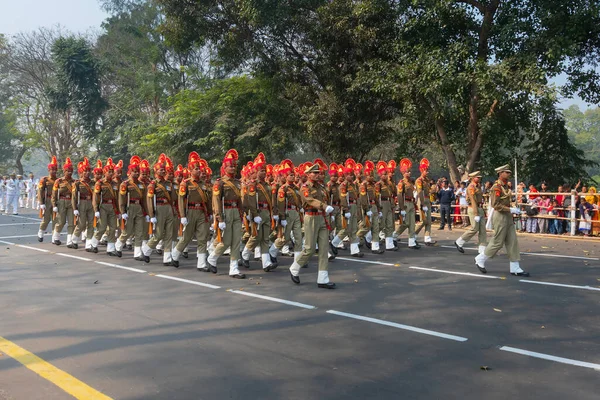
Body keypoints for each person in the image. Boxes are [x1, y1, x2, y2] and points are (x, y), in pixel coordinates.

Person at [475, 164, 529, 277]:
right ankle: (481, 258)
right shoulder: (496, 187)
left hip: (507, 216)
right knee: (498, 242)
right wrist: (510, 209)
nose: (508, 174)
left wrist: (513, 208)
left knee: (512, 241)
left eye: (509, 172)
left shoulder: (506, 187)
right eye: (506, 172)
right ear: (500, 173)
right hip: (500, 216)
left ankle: (515, 267)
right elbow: (495, 205)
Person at [289, 162, 336, 288]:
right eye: (314, 173)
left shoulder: (320, 187)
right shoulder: (305, 187)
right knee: (309, 248)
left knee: (324, 248)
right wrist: (324, 206)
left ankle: (323, 278)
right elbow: (309, 200)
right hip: (311, 217)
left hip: (322, 217)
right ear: (308, 174)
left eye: (317, 173)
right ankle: (294, 267)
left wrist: (326, 211)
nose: (317, 174)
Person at [207, 149, 246, 279]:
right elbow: (216, 201)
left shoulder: (238, 182)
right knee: (227, 240)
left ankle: (234, 268)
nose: (233, 168)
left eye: (234, 166)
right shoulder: (220, 183)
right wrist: (219, 218)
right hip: (226, 212)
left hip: (236, 212)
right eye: (230, 166)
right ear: (224, 167)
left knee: (236, 240)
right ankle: (212, 258)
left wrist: (243, 214)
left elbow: (240, 200)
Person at [172, 152, 212, 270]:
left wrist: (209, 213)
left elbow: (208, 200)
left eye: (199, 169)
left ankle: (201, 263)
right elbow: (180, 199)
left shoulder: (203, 184)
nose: (199, 171)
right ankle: (175, 255)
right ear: (190, 170)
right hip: (190, 211)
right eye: (196, 169)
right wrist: (183, 215)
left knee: (202, 237)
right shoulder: (186, 183)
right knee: (187, 237)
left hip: (202, 212)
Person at [142, 154, 176, 265]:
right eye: (161, 170)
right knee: (159, 234)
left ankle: (167, 258)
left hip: (168, 208)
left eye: (164, 170)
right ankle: (146, 250)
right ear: (156, 171)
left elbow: (174, 198)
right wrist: (152, 215)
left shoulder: (169, 184)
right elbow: (149, 200)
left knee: (169, 233)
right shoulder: (153, 185)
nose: (163, 171)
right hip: (160, 208)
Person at [115, 156, 148, 260]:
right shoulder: (125, 184)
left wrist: (146, 213)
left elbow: (144, 200)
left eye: (137, 172)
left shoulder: (142, 185)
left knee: (139, 231)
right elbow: (121, 199)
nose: (136, 173)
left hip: (139, 208)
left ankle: (137, 253)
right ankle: (118, 246)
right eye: (134, 172)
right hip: (129, 207)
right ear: (129, 172)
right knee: (127, 231)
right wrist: (123, 211)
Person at [91, 158, 120, 256]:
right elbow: (96, 197)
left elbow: (117, 198)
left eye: (112, 172)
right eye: (109, 172)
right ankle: (93, 244)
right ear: (104, 172)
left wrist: (119, 211)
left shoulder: (115, 184)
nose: (111, 174)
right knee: (102, 227)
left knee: (113, 228)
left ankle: (111, 248)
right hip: (103, 206)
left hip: (112, 207)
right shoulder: (100, 183)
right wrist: (96, 209)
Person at [454, 171, 487, 254]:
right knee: (474, 228)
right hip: (473, 208)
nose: (479, 178)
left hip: (479, 208)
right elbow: (472, 200)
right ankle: (459, 241)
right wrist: (476, 214)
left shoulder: (478, 186)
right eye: (477, 177)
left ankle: (482, 248)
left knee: (483, 230)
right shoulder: (471, 187)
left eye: (479, 177)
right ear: (473, 178)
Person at [395, 158, 420, 249]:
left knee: (412, 223)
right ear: (403, 173)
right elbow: (399, 195)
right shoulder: (402, 183)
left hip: (411, 203)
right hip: (405, 203)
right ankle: (394, 236)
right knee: (405, 223)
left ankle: (411, 242)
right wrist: (401, 207)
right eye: (407, 172)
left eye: (409, 171)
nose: (409, 173)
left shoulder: (411, 182)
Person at [72, 158, 95, 251]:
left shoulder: (93, 182)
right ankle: (74, 239)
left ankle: (89, 243)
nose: (87, 173)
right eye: (85, 171)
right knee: (81, 224)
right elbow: (74, 197)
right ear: (81, 172)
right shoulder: (77, 183)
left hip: (91, 204)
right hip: (82, 203)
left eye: (88, 171)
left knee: (91, 223)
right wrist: (75, 208)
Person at [51, 158, 75, 246]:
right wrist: (54, 205)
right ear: (64, 171)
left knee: (72, 222)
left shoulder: (74, 182)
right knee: (61, 221)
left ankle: (69, 241)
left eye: (71, 171)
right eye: (68, 171)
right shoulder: (59, 181)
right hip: (61, 202)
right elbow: (54, 194)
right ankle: (56, 237)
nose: (70, 172)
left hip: (71, 202)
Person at [37, 157, 59, 242]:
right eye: (52, 169)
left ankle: (54, 238)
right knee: (46, 219)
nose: (54, 171)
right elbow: (40, 191)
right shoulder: (44, 180)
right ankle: (41, 232)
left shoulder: (58, 180)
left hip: (56, 201)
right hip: (47, 200)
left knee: (55, 219)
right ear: (49, 170)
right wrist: (41, 203)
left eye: (55, 169)